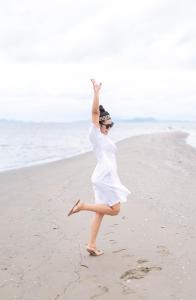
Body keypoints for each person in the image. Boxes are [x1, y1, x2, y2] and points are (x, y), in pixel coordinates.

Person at [67, 79, 131, 256]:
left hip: (103, 177)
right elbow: (94, 112)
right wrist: (96, 93)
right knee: (115, 210)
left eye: (111, 125)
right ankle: (83, 206)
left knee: (100, 212)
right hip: (104, 178)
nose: (109, 128)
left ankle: (91, 245)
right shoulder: (95, 134)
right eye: (106, 125)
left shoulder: (104, 137)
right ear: (99, 124)